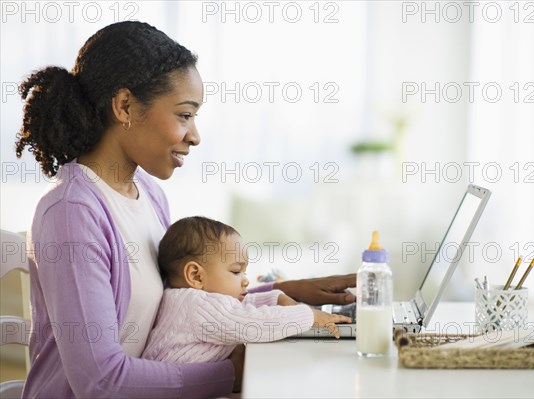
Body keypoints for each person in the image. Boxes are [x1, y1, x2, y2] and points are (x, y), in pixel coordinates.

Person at [15, 21, 356, 398]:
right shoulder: (72, 213)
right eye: (184, 114)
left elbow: (178, 297)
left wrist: (282, 290)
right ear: (125, 106)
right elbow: (101, 384)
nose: (195, 135)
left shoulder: (148, 193)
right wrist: (230, 375)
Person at [142, 216, 351, 366]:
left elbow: (241, 308)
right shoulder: (198, 306)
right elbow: (254, 323)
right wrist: (309, 315)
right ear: (196, 276)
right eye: (236, 271)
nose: (245, 281)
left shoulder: (189, 299)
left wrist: (276, 297)